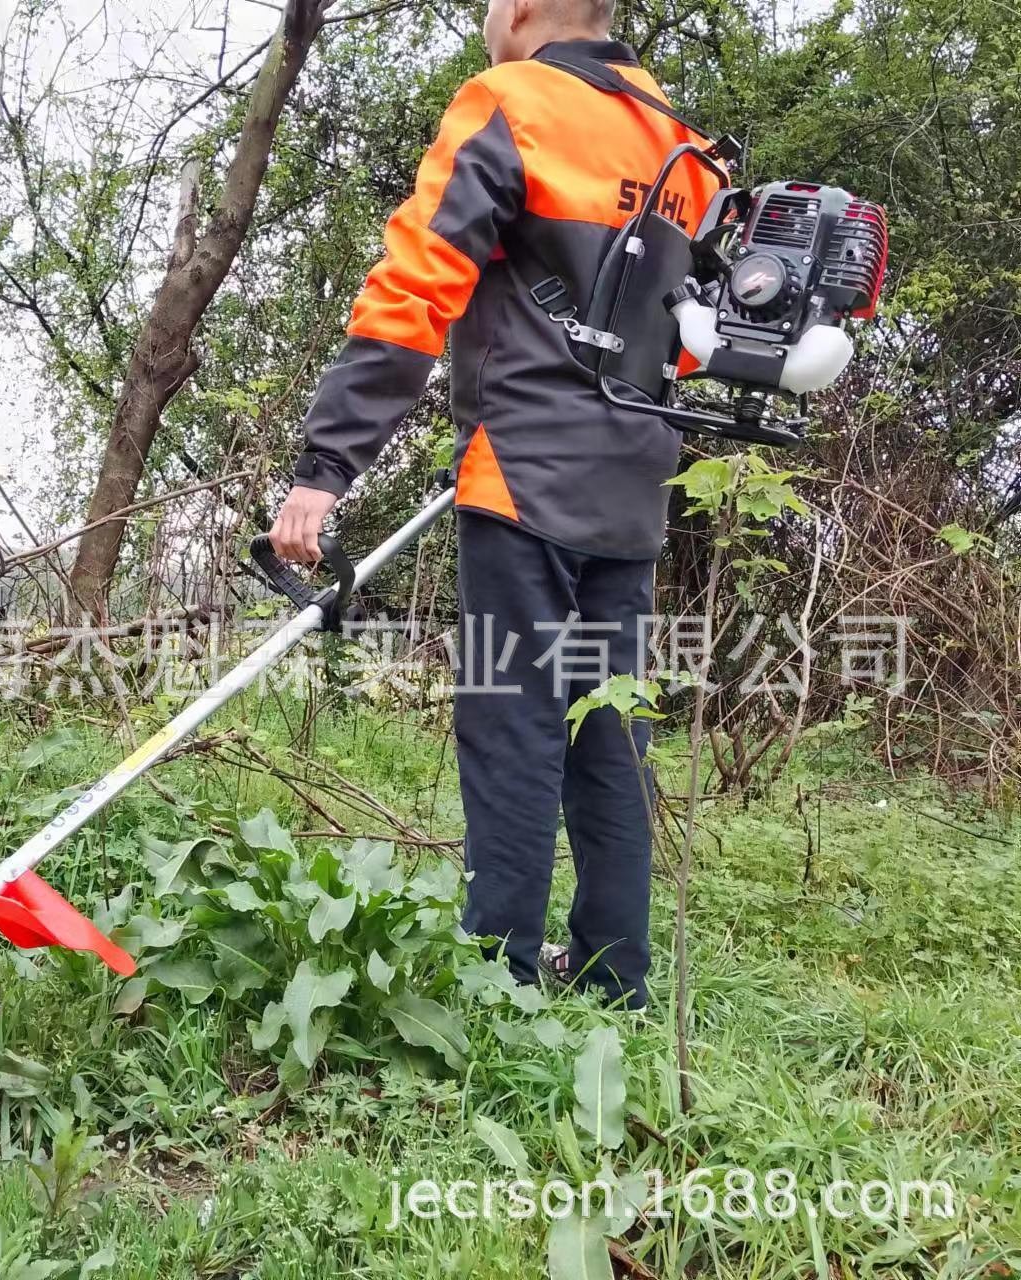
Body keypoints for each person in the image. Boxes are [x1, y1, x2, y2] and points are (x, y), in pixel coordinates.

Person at [268, 0, 720, 1008]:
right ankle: (614, 977)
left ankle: (497, 979)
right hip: (635, 484)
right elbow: (686, 341)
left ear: (516, 9)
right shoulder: (684, 148)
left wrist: (322, 467)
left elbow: (413, 289)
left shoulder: (508, 102)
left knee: (514, 724)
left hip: (520, 472)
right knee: (607, 730)